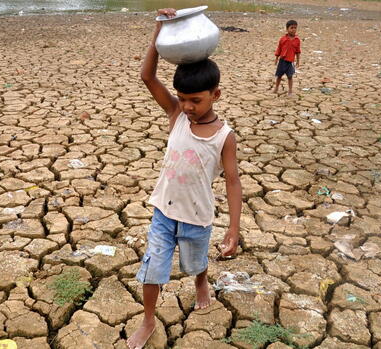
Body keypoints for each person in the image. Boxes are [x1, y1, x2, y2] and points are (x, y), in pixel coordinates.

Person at [127, 8, 243, 349]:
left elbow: (233, 181)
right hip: (163, 211)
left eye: (196, 99)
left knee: (195, 263)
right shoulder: (175, 114)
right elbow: (148, 77)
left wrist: (233, 229)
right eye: (183, 99)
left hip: (197, 218)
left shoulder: (225, 136)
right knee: (153, 269)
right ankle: (148, 319)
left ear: (215, 95)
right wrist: (159, 30)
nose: (188, 106)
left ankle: (201, 281)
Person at [273, 20, 301, 96]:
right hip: (282, 61)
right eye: (291, 28)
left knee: (290, 76)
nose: (293, 30)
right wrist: (276, 59)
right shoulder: (283, 39)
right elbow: (279, 49)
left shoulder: (297, 40)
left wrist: (298, 61)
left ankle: (290, 90)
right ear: (287, 29)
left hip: (290, 62)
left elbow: (298, 52)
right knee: (279, 76)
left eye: (295, 28)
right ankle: (276, 88)